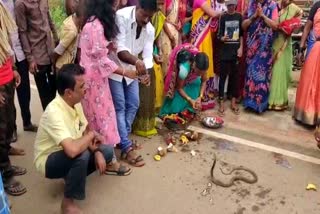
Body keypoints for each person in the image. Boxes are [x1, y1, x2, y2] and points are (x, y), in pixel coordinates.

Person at [34, 64, 131, 214]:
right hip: (48, 160)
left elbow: (84, 129)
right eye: (82, 86)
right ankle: (67, 204)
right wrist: (91, 136)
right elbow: (73, 150)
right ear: (69, 92)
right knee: (81, 154)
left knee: (105, 151)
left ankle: (70, 176)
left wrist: (97, 151)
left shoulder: (74, 102)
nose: (86, 88)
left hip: (67, 150)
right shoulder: (53, 112)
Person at [80, 0, 138, 155]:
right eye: (116, 3)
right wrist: (126, 72)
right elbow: (101, 60)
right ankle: (105, 156)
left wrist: (108, 47)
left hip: (95, 78)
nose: (118, 6)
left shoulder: (93, 22)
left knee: (100, 117)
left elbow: (95, 51)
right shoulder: (96, 26)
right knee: (102, 118)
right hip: (93, 81)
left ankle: (102, 153)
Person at [108, 0, 156, 166]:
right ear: (138, 8)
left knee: (134, 104)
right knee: (120, 106)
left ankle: (123, 138)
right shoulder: (121, 16)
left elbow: (148, 56)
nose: (146, 20)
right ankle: (127, 147)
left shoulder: (150, 28)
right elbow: (120, 50)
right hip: (115, 68)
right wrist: (137, 62)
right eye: (144, 15)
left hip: (132, 70)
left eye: (150, 17)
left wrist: (146, 74)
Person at [1, 0, 37, 144]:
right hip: (6, 55)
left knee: (24, 90)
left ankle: (26, 122)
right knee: (8, 100)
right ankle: (12, 131)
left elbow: (23, 28)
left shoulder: (16, 3)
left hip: (18, 53)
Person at [0, 1, 27, 197]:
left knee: (9, 125)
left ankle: (6, 156)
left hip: (7, 77)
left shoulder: (1, 10)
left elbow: (5, 45)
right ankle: (5, 174)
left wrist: (14, 69)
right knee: (0, 131)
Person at [15, 0, 58, 110]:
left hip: (51, 52)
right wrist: (30, 59)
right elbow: (22, 32)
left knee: (55, 89)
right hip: (37, 55)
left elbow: (49, 20)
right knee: (45, 95)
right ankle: (50, 122)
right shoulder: (21, 4)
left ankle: (55, 119)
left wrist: (56, 39)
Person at [242, 0, 278, 113]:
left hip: (264, 49)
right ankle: (249, 102)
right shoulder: (250, 4)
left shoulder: (272, 5)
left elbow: (275, 25)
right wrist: (254, 17)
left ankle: (260, 105)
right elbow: (243, 26)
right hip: (251, 46)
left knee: (261, 75)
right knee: (250, 74)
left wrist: (262, 16)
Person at [268, 0, 302, 111]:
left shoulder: (295, 9)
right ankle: (269, 100)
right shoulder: (274, 5)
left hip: (285, 43)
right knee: (272, 71)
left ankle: (279, 101)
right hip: (272, 41)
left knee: (281, 71)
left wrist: (292, 27)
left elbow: (297, 26)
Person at [190, 0, 224, 110]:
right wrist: (226, 12)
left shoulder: (211, 1)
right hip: (199, 36)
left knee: (206, 61)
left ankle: (205, 97)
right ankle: (194, 97)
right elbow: (213, 14)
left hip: (206, 35)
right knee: (199, 61)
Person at [160, 44, 208, 117]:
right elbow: (179, 88)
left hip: (191, 72)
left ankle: (189, 107)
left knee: (197, 82)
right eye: (198, 72)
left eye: (202, 73)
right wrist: (189, 100)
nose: (200, 75)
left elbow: (204, 81)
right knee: (175, 110)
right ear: (194, 64)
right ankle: (179, 106)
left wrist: (200, 97)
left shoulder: (203, 66)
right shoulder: (184, 69)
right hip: (181, 76)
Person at [293, 1, 320, 126]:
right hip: (314, 45)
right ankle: (306, 114)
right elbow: (307, 27)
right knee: (309, 79)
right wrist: (301, 47)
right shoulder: (317, 5)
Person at [217, 0, 243, 116]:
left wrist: (241, 47)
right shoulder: (223, 17)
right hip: (225, 51)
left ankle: (233, 102)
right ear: (227, 6)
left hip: (235, 50)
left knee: (234, 77)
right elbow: (219, 34)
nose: (231, 7)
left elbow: (241, 34)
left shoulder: (239, 16)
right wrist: (222, 38)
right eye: (229, 5)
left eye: (232, 5)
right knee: (222, 76)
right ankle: (221, 101)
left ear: (235, 5)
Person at [159, 0, 187, 74]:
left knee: (174, 64)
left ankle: (170, 85)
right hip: (166, 34)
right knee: (166, 64)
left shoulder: (179, 1)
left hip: (176, 33)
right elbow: (162, 19)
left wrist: (179, 23)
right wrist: (171, 37)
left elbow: (179, 19)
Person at [52, 0, 82, 71]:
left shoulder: (71, 19)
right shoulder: (72, 32)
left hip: (66, 65)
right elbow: (58, 51)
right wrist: (53, 64)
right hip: (63, 67)